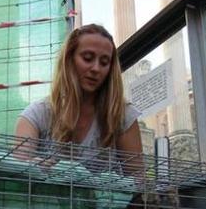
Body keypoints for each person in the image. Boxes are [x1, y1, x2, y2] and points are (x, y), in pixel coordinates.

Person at [14, 23, 144, 175]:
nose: (96, 68)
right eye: (87, 58)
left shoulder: (122, 115)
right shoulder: (37, 114)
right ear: (69, 60)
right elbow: (18, 171)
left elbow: (138, 181)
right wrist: (39, 165)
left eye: (104, 62)